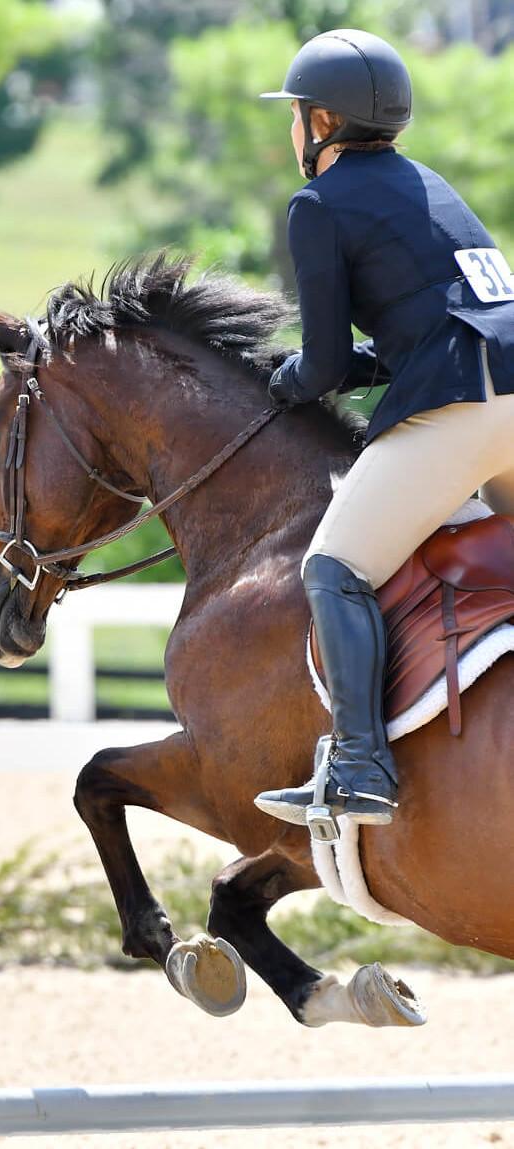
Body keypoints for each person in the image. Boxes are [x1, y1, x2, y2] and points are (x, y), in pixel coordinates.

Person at [252, 28, 514, 833]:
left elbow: (323, 364)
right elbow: (432, 321)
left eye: (296, 114)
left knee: (336, 565)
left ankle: (362, 768)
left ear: (322, 121)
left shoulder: (318, 203)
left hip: (465, 405)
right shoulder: (427, 184)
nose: (292, 128)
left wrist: (284, 380)